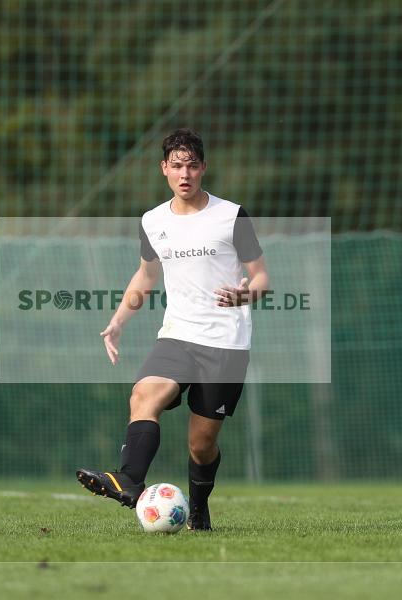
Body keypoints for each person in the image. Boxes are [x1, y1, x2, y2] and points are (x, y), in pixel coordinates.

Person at [76, 128, 269, 531]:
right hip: (177, 336)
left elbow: (262, 279)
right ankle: (128, 480)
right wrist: (117, 322)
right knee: (143, 395)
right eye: (177, 166)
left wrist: (244, 296)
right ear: (164, 169)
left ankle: (198, 509)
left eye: (192, 165)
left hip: (225, 345)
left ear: (204, 168)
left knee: (201, 445)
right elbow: (145, 277)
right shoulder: (152, 221)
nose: (185, 174)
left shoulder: (231, 216)